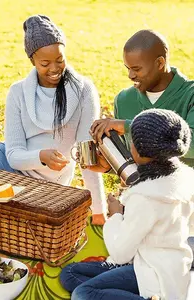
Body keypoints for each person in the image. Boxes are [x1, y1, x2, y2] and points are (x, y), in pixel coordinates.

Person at [0, 15, 106, 224]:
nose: (54, 69)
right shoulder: (18, 92)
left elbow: (87, 157)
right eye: (45, 63)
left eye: (60, 60)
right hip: (7, 163)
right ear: (32, 60)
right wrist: (41, 156)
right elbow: (14, 155)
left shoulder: (83, 91)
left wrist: (99, 211)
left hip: (46, 186)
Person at [60, 109, 194, 300]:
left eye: (132, 141)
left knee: (82, 293)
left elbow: (120, 252)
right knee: (70, 273)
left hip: (153, 273)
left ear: (138, 151)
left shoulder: (145, 197)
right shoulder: (185, 178)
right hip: (168, 265)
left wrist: (116, 215)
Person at [89, 29, 194, 262]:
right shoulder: (124, 100)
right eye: (127, 68)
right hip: (142, 205)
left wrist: (128, 126)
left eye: (136, 69)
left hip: (184, 210)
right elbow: (137, 161)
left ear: (160, 62)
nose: (130, 75)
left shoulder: (190, 94)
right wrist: (110, 165)